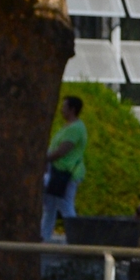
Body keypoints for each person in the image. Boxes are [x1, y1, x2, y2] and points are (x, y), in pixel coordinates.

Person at [41, 94, 88, 241]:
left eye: (64, 107)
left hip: (66, 172)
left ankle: (74, 237)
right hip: (57, 172)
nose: (62, 110)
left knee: (65, 205)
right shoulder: (68, 127)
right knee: (50, 206)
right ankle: (44, 236)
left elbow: (63, 149)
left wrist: (45, 158)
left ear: (72, 109)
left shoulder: (75, 129)